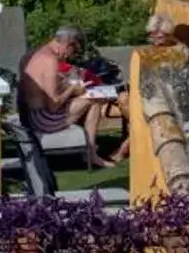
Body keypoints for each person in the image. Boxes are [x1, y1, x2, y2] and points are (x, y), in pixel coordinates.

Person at [19, 25, 122, 168]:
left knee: (90, 99)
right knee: (94, 100)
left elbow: (42, 91)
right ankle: (91, 155)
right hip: (42, 120)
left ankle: (90, 153)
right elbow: (53, 104)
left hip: (29, 116)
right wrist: (72, 89)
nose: (70, 57)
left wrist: (64, 85)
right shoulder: (51, 61)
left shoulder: (35, 54)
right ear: (69, 44)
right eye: (75, 51)